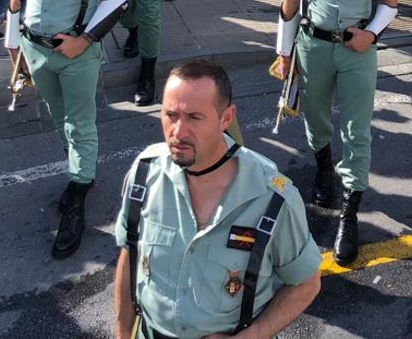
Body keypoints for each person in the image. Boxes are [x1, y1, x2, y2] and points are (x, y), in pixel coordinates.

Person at [113, 59, 321, 339]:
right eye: (170, 115)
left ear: (226, 118)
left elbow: (306, 284)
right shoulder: (144, 173)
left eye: (194, 117)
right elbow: (129, 253)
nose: (178, 132)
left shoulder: (272, 198)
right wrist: (122, 333)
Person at [277, 0, 398, 264]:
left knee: (357, 128)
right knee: (314, 118)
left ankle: (350, 211)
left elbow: (390, 3)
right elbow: (291, 2)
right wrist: (282, 51)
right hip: (313, 44)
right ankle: (323, 166)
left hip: (357, 49)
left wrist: (373, 35)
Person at [9, 0, 128, 258]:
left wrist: (86, 40)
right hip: (35, 49)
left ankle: (78, 194)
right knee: (60, 119)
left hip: (77, 53)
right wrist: (15, 49)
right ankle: (81, 171)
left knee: (80, 122)